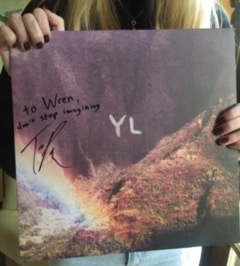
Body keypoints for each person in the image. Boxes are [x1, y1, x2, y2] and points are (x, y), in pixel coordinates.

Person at [0, 0, 239, 265]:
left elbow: (222, 140)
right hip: (80, 239)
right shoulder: (53, 8)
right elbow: (14, 162)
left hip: (174, 242)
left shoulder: (211, 17)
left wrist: (234, 129)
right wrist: (25, 89)